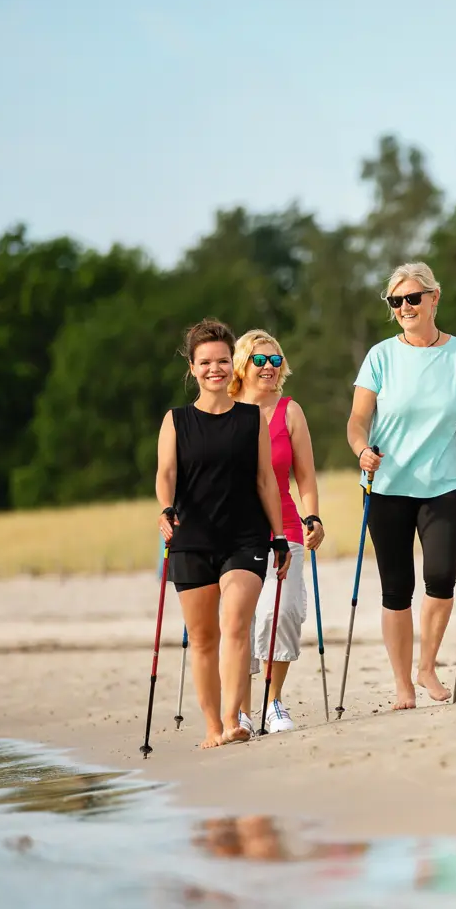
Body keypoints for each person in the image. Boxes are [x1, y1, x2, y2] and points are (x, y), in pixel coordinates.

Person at [347, 262, 456, 711]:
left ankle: (426, 666)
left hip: (443, 484)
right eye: (397, 301)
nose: (405, 307)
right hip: (387, 484)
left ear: (434, 297)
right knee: (396, 587)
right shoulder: (380, 357)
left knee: (441, 579)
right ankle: (402, 685)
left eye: (413, 298)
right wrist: (361, 450)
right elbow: (357, 420)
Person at [156, 319, 290, 747]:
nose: (215, 369)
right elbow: (166, 474)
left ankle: (235, 719)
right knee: (203, 639)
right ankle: (213, 727)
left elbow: (267, 480)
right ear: (193, 368)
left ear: (233, 365)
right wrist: (165, 509)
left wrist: (279, 536)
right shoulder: (176, 421)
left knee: (235, 624)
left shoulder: (250, 419)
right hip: (191, 539)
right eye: (206, 362)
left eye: (222, 361)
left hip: (245, 538)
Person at [232, 329, 325, 733]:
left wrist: (313, 517)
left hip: (284, 528)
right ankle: (239, 710)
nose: (269, 367)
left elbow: (305, 475)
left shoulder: (290, 411)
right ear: (243, 364)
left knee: (282, 612)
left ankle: (273, 704)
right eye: (260, 360)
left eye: (275, 359)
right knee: (242, 621)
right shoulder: (225, 408)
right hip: (233, 532)